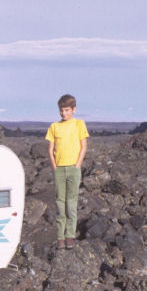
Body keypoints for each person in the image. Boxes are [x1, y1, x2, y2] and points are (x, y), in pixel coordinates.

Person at [45, 94, 89, 250]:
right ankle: (60, 237)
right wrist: (55, 168)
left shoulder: (79, 124)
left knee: (71, 203)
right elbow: (50, 150)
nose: (63, 113)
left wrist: (77, 165)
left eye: (66, 110)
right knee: (60, 203)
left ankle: (70, 236)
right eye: (61, 110)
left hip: (73, 169)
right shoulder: (54, 127)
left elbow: (84, 146)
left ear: (73, 110)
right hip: (59, 170)